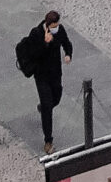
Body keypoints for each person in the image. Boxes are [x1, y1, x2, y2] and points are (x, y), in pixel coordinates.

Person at [16, 11, 73, 156]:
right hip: (41, 76)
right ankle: (48, 141)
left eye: (57, 25)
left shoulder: (59, 31)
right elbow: (33, 54)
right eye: (54, 26)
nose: (56, 28)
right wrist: (45, 44)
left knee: (57, 98)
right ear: (47, 25)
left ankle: (43, 107)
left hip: (55, 74)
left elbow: (66, 43)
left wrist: (68, 54)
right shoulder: (36, 34)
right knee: (48, 106)